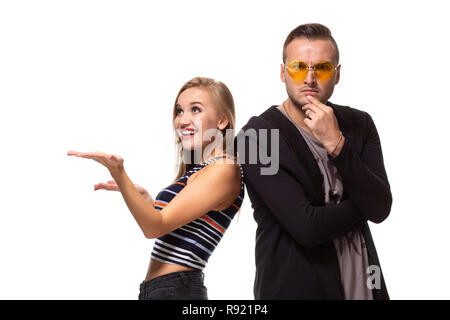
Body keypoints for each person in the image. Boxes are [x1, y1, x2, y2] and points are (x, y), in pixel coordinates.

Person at [236, 23, 392, 299]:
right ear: (283, 73)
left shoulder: (359, 124)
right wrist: (365, 201)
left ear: (337, 74)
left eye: (321, 68)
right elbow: (308, 227)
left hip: (365, 288)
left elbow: (380, 208)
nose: (309, 78)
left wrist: (337, 144)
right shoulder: (256, 137)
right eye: (298, 67)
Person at [68, 77, 244, 300]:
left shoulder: (224, 169)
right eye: (179, 111)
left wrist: (119, 173)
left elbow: (154, 228)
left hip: (177, 291)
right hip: (163, 290)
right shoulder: (203, 169)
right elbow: (174, 224)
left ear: (222, 121)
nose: (183, 120)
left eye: (195, 110)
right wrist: (148, 201)